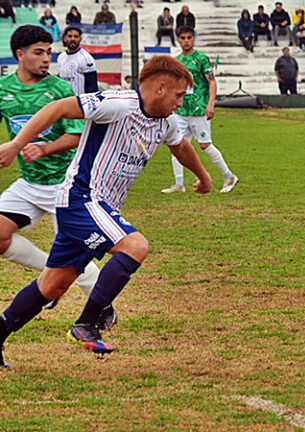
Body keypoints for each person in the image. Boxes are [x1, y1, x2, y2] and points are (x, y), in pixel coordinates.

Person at [0, 55, 213, 368]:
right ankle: (88, 323)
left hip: (100, 207)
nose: (180, 104)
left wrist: (204, 177)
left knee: (53, 286)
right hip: (81, 198)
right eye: (179, 96)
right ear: (160, 88)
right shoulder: (117, 104)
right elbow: (57, 108)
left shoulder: (165, 122)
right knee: (136, 245)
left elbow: (180, 146)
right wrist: (17, 143)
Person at [0, 26, 105, 344]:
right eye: (38, 52)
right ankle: (50, 269)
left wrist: (41, 147)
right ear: (19, 55)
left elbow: (78, 135)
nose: (47, 58)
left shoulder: (60, 89)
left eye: (49, 51)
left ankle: (102, 309)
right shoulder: (4, 89)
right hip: (29, 183)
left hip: (66, 184)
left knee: (84, 251)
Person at [162, 27, 238, 194]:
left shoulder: (201, 58)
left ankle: (229, 176)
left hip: (199, 109)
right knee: (176, 145)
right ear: (178, 40)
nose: (186, 40)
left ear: (194, 39)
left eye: (189, 37)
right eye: (182, 38)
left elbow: (211, 81)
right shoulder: (177, 61)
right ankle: (179, 184)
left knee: (205, 145)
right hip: (182, 111)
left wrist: (211, 104)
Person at [57, 26, 98, 95]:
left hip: (79, 102)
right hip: (64, 101)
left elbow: (92, 87)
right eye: (70, 36)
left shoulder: (86, 58)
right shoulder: (61, 57)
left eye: (76, 36)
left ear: (80, 39)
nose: (73, 39)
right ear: (64, 38)